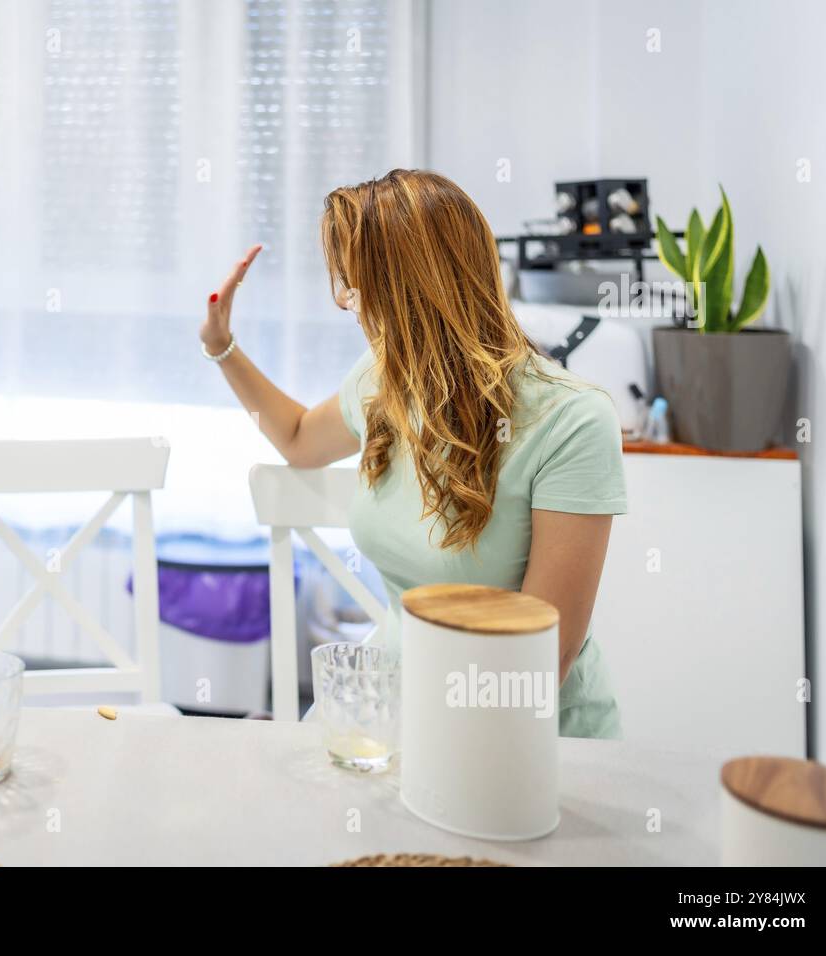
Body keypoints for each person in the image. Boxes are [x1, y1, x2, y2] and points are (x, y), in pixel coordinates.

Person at [200, 169, 627, 738]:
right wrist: (221, 346)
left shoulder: (571, 422)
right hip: (394, 706)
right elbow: (300, 439)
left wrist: (407, 749)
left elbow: (541, 666)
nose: (342, 300)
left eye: (354, 282)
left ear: (413, 288)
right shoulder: (383, 381)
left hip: (522, 740)